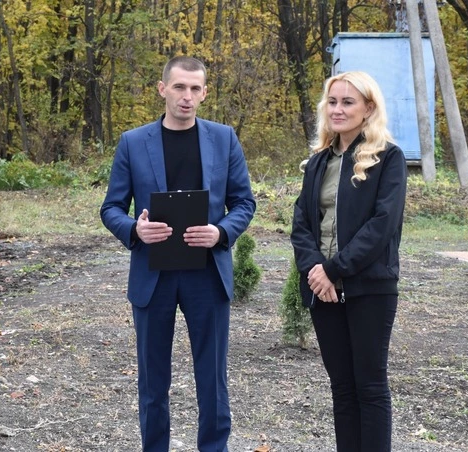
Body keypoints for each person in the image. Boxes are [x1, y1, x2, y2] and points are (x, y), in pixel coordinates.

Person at [100, 56, 256, 452]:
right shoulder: (133, 142)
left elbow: (244, 202)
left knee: (213, 380)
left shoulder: (224, 138)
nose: (187, 96)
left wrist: (221, 232)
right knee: (153, 382)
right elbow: (111, 208)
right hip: (154, 276)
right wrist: (134, 228)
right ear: (162, 89)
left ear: (204, 93)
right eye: (179, 87)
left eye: (195, 88)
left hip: (207, 274)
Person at [290, 71, 407, 452]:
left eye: (348, 102)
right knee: (341, 387)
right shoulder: (318, 161)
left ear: (368, 108)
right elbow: (301, 223)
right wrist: (314, 270)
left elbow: (382, 225)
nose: (338, 109)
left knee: (369, 387)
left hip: (369, 287)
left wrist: (333, 269)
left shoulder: (388, 158)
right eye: (332, 102)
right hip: (322, 289)